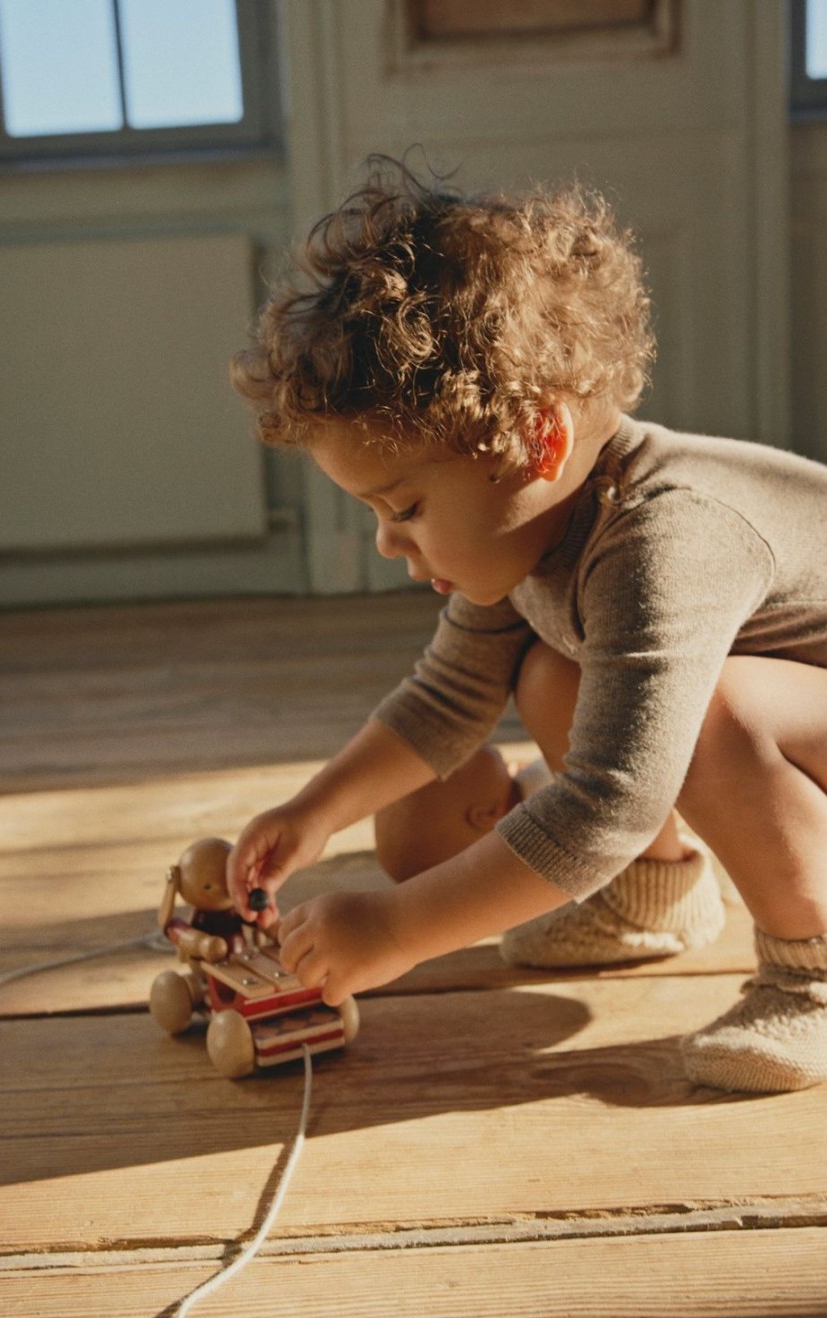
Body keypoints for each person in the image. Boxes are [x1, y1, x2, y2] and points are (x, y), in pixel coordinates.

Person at [227, 156, 827, 1094]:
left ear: (532, 443)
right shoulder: (526, 533)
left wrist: (396, 930)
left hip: (789, 724)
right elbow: (446, 699)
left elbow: (608, 803)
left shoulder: (664, 539)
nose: (388, 542)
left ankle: (815, 972)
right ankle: (654, 896)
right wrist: (313, 814)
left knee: (715, 709)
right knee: (554, 674)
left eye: (407, 507)